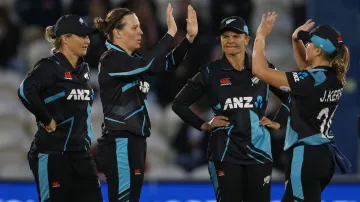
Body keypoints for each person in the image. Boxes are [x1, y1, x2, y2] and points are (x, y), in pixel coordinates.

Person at [172, 16, 290, 202]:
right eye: (225, 36)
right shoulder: (210, 72)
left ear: (247, 40)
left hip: (259, 153)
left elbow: (290, 95)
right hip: (224, 154)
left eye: (236, 35)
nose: (230, 41)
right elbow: (178, 104)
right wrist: (204, 125)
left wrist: (278, 122)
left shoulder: (263, 68)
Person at [93, 4, 198, 202]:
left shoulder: (134, 60)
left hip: (136, 142)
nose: (141, 31)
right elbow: (148, 64)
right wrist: (170, 33)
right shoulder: (111, 59)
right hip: (119, 142)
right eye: (134, 27)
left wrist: (188, 39)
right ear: (117, 32)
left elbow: (169, 63)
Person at [252, 12, 351, 201]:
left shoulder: (311, 80)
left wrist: (261, 37)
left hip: (305, 155)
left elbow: (259, 71)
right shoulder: (333, 77)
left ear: (318, 51)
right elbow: (306, 71)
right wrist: (296, 41)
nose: (308, 44)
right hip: (323, 156)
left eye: (311, 43)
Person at [17, 15, 102, 202]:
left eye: (88, 36)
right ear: (65, 38)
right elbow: (25, 90)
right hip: (53, 154)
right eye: (81, 36)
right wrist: (47, 119)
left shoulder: (84, 69)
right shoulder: (49, 66)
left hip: (81, 156)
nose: (87, 40)